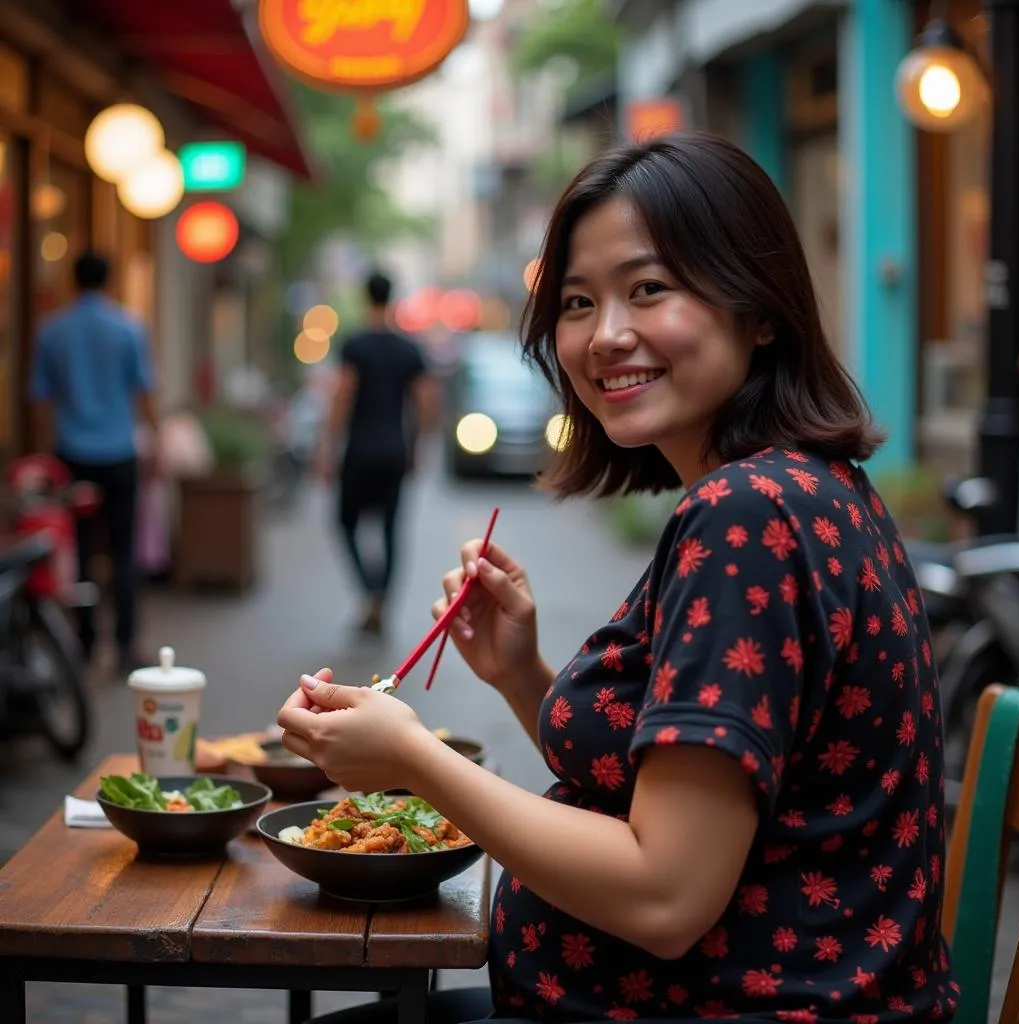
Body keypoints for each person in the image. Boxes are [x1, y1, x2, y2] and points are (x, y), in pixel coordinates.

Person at [280, 132, 956, 1023]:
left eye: (649, 290)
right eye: (576, 302)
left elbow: (665, 898)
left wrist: (414, 758)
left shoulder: (748, 514)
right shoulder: (804, 486)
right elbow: (673, 792)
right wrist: (521, 674)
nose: (605, 337)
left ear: (758, 307)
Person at [29, 251, 157, 677]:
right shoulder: (128, 327)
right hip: (120, 451)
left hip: (73, 453)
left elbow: (41, 400)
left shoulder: (52, 330)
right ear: (109, 280)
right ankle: (124, 645)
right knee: (123, 550)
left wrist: (47, 455)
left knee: (80, 549)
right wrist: (152, 439)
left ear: (74, 280)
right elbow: (145, 391)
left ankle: (83, 642)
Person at [316, 270, 433, 635]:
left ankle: (371, 593)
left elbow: (342, 398)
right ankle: (381, 600)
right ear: (391, 297)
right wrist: (416, 448)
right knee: (390, 529)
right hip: (394, 451)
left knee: (345, 523)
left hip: (360, 451)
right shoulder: (408, 349)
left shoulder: (355, 345)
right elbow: (425, 406)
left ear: (366, 297)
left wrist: (326, 448)